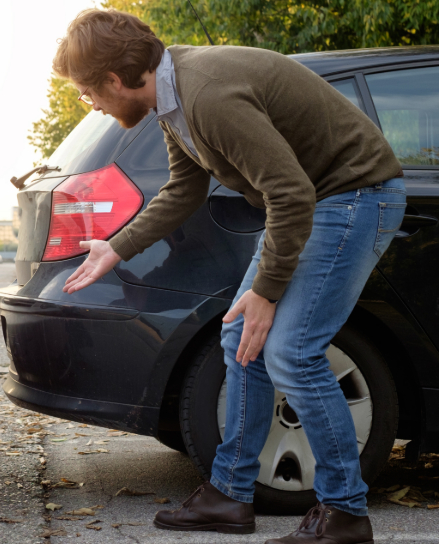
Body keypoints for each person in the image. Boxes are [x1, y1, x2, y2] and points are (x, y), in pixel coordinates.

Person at [55, 9, 404, 544]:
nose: (93, 104)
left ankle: (344, 514)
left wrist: (266, 292)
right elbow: (184, 189)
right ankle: (229, 495)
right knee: (242, 336)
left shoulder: (207, 94)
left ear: (114, 79)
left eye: (87, 93)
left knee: (292, 353)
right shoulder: (172, 101)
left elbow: (291, 193)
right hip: (313, 203)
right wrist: (117, 247)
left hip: (351, 197)